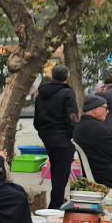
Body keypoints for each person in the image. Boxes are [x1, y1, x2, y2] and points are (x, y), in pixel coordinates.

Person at [33, 64, 78, 209]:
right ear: (67, 78)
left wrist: (42, 132)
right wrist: (72, 134)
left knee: (56, 168)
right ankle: (56, 204)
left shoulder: (41, 93)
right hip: (62, 136)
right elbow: (72, 117)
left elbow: (37, 118)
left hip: (47, 135)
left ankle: (57, 199)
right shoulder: (67, 93)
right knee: (62, 171)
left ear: (52, 76)